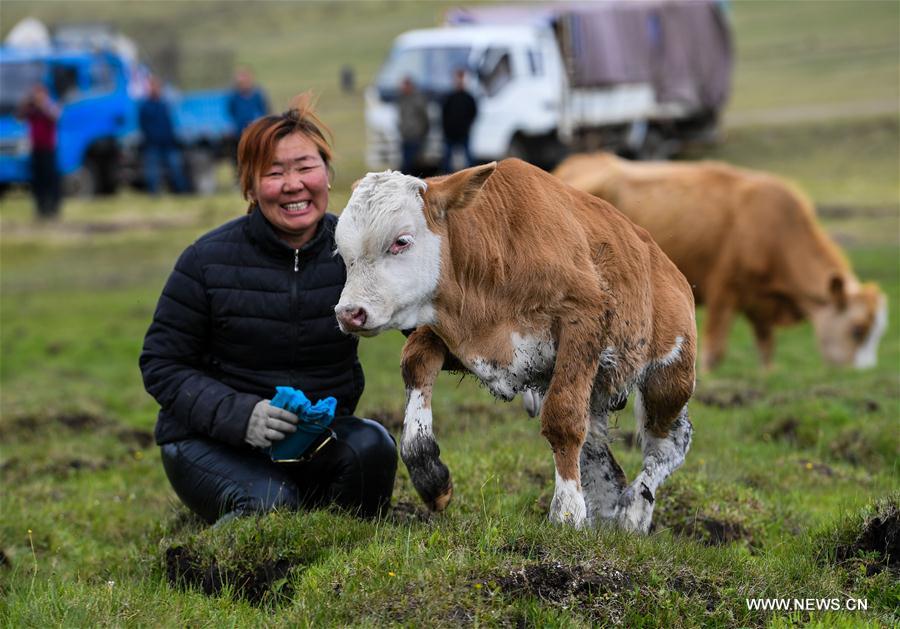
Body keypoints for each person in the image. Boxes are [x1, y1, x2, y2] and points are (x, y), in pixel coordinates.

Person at [140, 93, 397, 525]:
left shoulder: (358, 255)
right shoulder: (206, 261)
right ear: (250, 187)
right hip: (209, 442)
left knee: (373, 448)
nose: (293, 184)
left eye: (305, 167)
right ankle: (230, 543)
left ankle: (336, 547)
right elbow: (161, 364)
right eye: (274, 173)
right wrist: (242, 416)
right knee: (271, 505)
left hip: (310, 439)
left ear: (327, 175)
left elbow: (423, 321)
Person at [17, 84, 62, 219]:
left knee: (50, 179)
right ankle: (41, 209)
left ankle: (53, 208)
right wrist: (26, 103)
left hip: (49, 149)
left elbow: (56, 116)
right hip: (36, 149)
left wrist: (43, 105)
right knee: (38, 180)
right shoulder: (32, 109)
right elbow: (19, 117)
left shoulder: (49, 106)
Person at [138, 76, 188, 195]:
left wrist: (171, 138)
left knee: (175, 168)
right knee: (152, 171)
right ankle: (154, 193)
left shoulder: (163, 104)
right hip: (153, 144)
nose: (155, 89)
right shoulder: (145, 106)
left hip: (168, 143)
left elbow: (169, 123)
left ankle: (180, 191)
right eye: (152, 87)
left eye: (156, 87)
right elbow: (144, 126)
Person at [440, 68, 478, 174]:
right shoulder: (449, 97)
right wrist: (446, 128)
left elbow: (473, 113)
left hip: (463, 133)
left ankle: (472, 175)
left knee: (469, 158)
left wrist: (467, 126)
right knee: (447, 159)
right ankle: (447, 176)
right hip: (450, 133)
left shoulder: (469, 98)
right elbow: (444, 114)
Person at [396, 76, 429, 175]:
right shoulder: (401, 99)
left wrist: (422, 132)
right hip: (405, 136)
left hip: (416, 136)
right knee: (406, 162)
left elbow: (424, 118)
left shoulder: (418, 99)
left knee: (414, 162)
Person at [227, 67, 270, 140]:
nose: (244, 84)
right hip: (239, 131)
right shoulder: (234, 97)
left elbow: (265, 112)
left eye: (245, 81)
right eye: (241, 83)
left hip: (256, 130)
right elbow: (231, 112)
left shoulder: (258, 95)